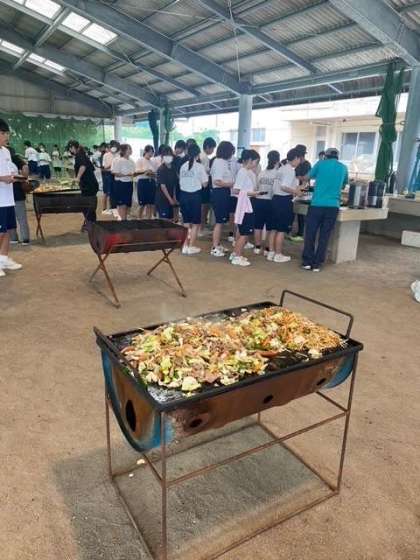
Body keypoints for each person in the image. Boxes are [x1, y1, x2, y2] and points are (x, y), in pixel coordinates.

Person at [302, 147, 348, 272]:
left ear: (326, 156)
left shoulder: (320, 164)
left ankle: (307, 262)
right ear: (337, 157)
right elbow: (344, 185)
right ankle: (317, 264)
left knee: (310, 233)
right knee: (325, 236)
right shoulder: (343, 168)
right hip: (333, 206)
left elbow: (306, 177)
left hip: (317, 204)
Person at [268, 148, 302, 263]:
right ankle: (278, 254)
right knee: (281, 229)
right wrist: (296, 191)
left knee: (273, 228)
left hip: (275, 199)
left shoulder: (281, 168)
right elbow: (284, 186)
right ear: (296, 158)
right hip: (283, 201)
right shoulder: (290, 170)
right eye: (299, 159)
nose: (299, 161)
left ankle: (271, 252)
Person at [0, 118, 22, 277]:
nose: (6, 136)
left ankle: (3, 258)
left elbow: (9, 171)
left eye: (7, 133)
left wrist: (15, 176)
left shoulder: (6, 151)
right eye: (3, 133)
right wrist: (3, 179)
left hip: (8, 198)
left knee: (7, 230)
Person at [231, 149, 260, 267]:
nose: (256, 164)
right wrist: (252, 193)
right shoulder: (243, 172)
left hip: (247, 203)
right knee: (244, 233)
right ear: (250, 160)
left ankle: (236, 253)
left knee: (242, 231)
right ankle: (237, 256)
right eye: (256, 162)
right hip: (245, 205)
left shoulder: (246, 172)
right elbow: (236, 190)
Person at [179, 143, 208, 255]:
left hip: (183, 196)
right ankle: (191, 246)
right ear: (198, 154)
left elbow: (180, 182)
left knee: (186, 222)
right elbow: (205, 184)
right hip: (195, 196)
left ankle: (185, 246)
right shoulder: (199, 166)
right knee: (195, 223)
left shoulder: (183, 166)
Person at [210, 141, 236, 257]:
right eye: (231, 152)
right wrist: (231, 184)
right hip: (220, 193)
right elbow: (217, 181)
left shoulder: (222, 162)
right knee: (219, 222)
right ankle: (215, 247)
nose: (232, 154)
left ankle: (218, 244)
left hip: (223, 192)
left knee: (221, 221)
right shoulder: (219, 162)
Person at [253, 150, 279, 255]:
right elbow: (276, 190)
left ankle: (257, 247)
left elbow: (256, 187)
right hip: (271, 202)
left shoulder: (261, 173)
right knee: (270, 226)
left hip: (258, 201)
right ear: (277, 160)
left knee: (257, 225)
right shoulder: (277, 174)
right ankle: (267, 248)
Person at [68, 140, 99, 227]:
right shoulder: (82, 155)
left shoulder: (79, 155)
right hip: (90, 184)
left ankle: (91, 224)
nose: (70, 150)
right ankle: (91, 223)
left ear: (73, 147)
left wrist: (78, 178)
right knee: (89, 205)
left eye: (70, 148)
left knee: (87, 205)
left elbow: (83, 166)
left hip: (89, 185)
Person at [8, 147, 30, 245]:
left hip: (7, 194)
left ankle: (13, 238)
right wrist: (24, 177)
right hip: (17, 192)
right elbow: (25, 167)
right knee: (21, 217)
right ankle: (25, 238)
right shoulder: (16, 159)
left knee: (10, 217)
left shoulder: (9, 159)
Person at [290, 144, 311, 242]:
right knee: (294, 211)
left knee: (301, 212)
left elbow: (306, 179)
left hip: (303, 190)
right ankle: (290, 230)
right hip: (295, 189)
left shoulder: (307, 165)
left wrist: (299, 179)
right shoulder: (297, 164)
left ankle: (300, 233)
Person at [111, 144, 135, 221]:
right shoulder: (118, 160)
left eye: (131, 149)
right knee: (122, 204)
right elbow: (115, 173)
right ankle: (123, 221)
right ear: (123, 151)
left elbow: (134, 172)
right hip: (121, 184)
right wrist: (126, 174)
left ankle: (125, 219)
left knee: (128, 204)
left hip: (129, 183)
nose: (130, 150)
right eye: (129, 149)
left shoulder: (131, 161)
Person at [155, 146, 178, 220]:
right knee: (164, 221)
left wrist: (174, 197)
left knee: (170, 220)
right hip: (162, 198)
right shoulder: (161, 169)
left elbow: (174, 184)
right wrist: (170, 199)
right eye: (166, 155)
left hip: (171, 196)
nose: (168, 157)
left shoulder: (173, 168)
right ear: (162, 157)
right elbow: (163, 187)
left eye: (170, 155)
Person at [200, 137, 217, 231]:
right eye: (212, 148)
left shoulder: (201, 156)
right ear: (207, 147)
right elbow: (205, 171)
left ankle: (201, 225)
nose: (213, 151)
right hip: (204, 184)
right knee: (204, 206)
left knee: (203, 206)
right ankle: (202, 226)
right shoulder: (205, 158)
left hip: (200, 184)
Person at [135, 145, 156, 219]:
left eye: (152, 152)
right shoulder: (140, 160)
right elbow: (136, 171)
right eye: (149, 152)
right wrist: (145, 171)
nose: (151, 154)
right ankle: (139, 219)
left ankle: (148, 219)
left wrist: (152, 173)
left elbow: (155, 173)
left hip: (151, 182)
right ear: (145, 152)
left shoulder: (152, 161)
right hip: (142, 182)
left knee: (150, 203)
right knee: (142, 204)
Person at [102, 140, 120, 217]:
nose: (115, 148)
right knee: (106, 192)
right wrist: (113, 163)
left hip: (116, 175)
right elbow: (105, 167)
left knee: (114, 192)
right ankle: (104, 209)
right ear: (111, 146)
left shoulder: (118, 155)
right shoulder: (106, 155)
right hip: (108, 175)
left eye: (116, 147)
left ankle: (113, 208)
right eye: (114, 146)